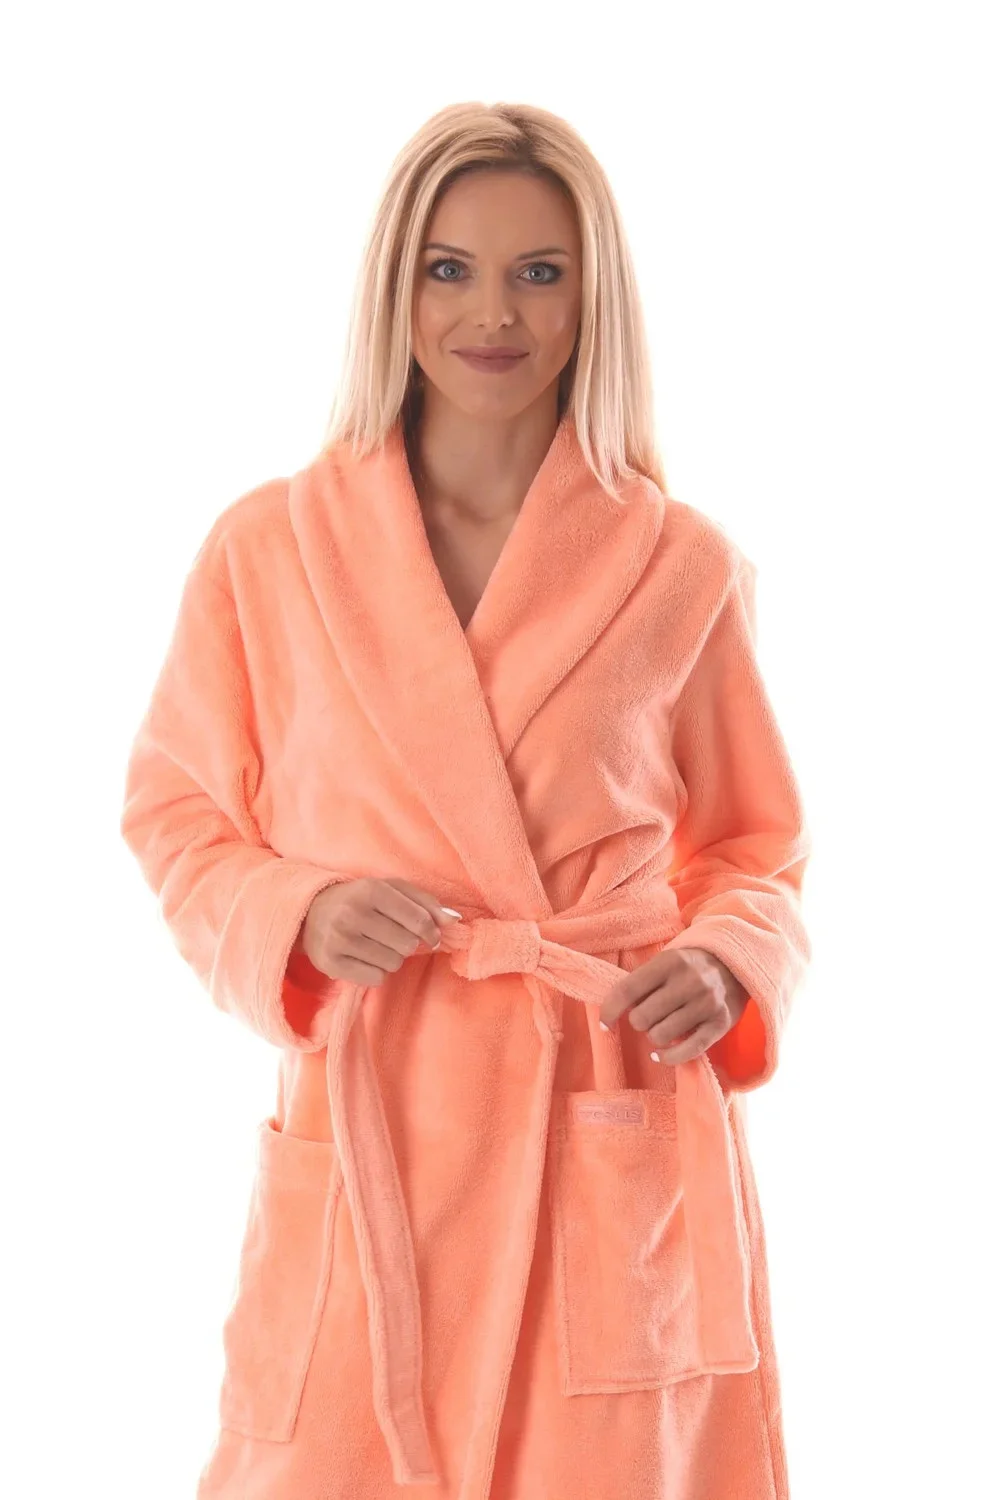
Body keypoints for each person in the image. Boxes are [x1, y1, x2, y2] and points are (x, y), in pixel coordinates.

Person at [120, 100, 812, 1500]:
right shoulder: (269, 551)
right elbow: (176, 811)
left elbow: (758, 847)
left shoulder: (679, 566)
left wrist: (727, 959)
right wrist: (297, 910)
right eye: (450, 268)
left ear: (592, 297)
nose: (492, 313)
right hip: (377, 1109)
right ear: (397, 285)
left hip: (605, 1108)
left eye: (539, 271)